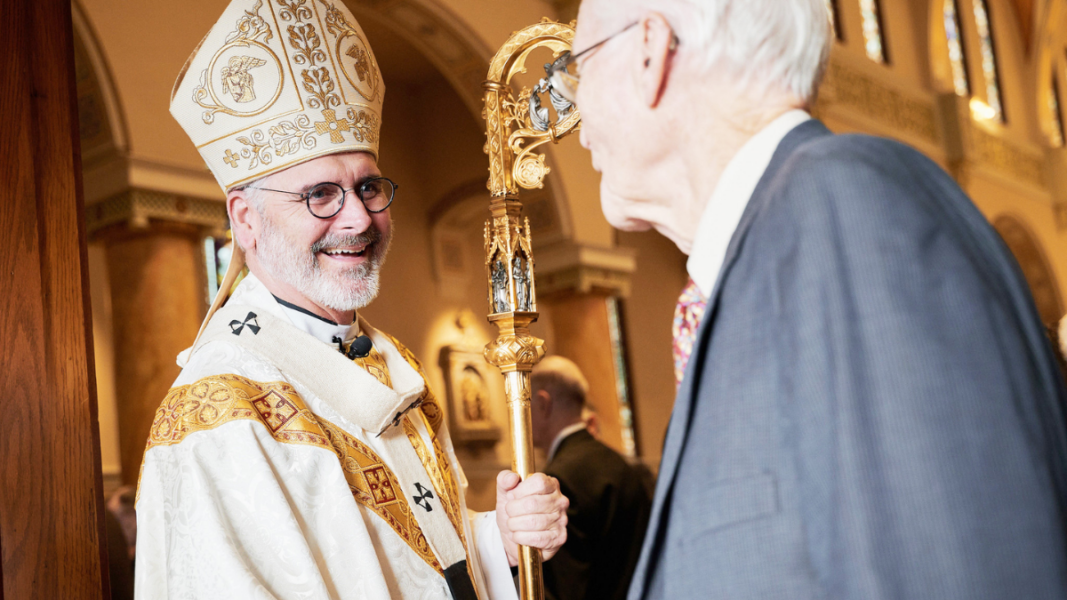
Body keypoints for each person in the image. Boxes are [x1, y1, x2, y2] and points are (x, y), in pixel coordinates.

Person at [562, 0, 1067, 598]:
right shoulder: (766, 262)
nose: (573, 114)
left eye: (576, 66)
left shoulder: (845, 205)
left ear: (649, 50)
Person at [135, 1, 567, 598]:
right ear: (246, 219)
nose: (359, 217)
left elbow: (424, 560)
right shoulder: (221, 411)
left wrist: (501, 537)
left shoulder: (393, 364)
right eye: (320, 194)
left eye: (367, 186)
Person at [530, 357, 652, 600]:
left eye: (526, 403)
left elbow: (564, 587)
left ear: (543, 404)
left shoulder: (557, 480)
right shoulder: (625, 466)